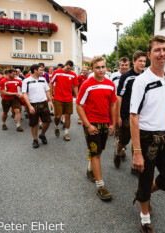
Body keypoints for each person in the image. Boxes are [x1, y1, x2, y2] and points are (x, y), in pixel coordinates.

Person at [130, 35, 165, 233]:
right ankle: (145, 218)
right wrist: (137, 151)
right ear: (149, 55)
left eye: (164, 49)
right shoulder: (142, 81)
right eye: (157, 50)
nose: (162, 54)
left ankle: (144, 194)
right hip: (147, 138)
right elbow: (134, 117)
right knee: (145, 177)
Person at [76, 56, 116, 200]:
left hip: (105, 123)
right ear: (92, 69)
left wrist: (113, 123)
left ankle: (89, 169)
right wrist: (88, 125)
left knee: (98, 151)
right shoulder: (87, 84)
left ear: (106, 68)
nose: (100, 70)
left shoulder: (111, 84)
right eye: (97, 67)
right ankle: (100, 186)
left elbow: (112, 104)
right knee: (96, 154)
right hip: (91, 123)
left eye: (103, 67)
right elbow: (79, 105)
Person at [114, 51, 146, 169]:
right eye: (140, 61)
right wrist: (118, 116)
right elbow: (119, 96)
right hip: (126, 113)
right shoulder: (126, 77)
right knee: (124, 140)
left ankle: (134, 166)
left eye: (144, 61)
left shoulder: (146, 76)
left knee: (138, 140)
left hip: (141, 113)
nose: (142, 63)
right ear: (133, 61)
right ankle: (117, 152)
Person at [22, 64, 53, 148]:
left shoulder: (43, 79)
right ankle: (35, 140)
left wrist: (50, 101)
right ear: (35, 70)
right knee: (34, 123)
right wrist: (29, 106)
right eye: (41, 70)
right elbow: (24, 94)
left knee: (47, 122)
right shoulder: (26, 81)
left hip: (43, 103)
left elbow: (47, 91)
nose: (43, 72)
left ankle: (42, 134)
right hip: (32, 104)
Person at [50, 60, 79, 141]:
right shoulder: (57, 72)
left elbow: (76, 86)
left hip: (68, 98)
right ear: (65, 65)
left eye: (70, 69)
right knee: (58, 116)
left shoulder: (73, 75)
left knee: (68, 116)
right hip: (58, 98)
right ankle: (56, 126)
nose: (68, 70)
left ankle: (66, 133)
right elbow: (51, 83)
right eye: (67, 68)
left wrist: (77, 97)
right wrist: (51, 94)